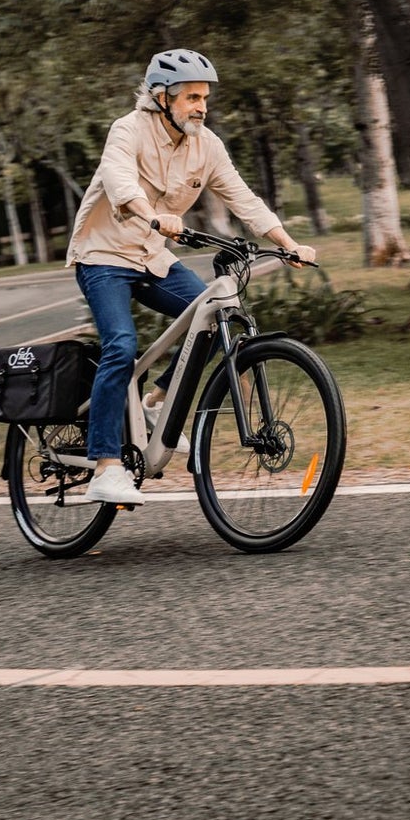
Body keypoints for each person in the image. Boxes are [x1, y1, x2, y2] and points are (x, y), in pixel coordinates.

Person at [66, 49, 316, 505]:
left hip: (152, 259)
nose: (202, 107)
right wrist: (151, 214)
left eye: (205, 98)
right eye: (192, 98)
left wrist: (287, 243)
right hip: (103, 256)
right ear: (162, 97)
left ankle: (156, 402)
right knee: (121, 344)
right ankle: (105, 466)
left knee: (215, 317)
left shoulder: (207, 145)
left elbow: (243, 198)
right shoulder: (127, 129)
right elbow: (120, 182)